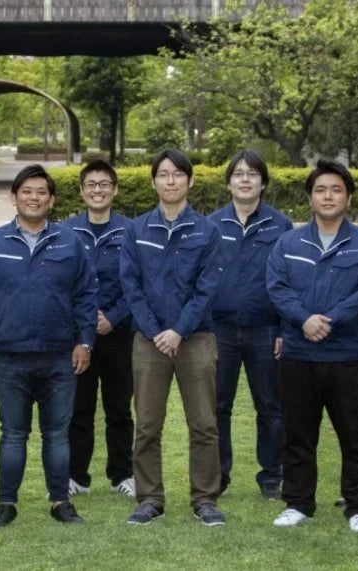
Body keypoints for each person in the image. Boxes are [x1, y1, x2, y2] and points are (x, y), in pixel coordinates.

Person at [0, 164, 97, 528]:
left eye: (41, 192)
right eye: (26, 191)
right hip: (12, 358)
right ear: (14, 198)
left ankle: (60, 502)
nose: (34, 197)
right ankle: (6, 503)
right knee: (13, 434)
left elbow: (86, 295)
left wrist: (85, 341)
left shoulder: (70, 242)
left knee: (57, 434)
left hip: (59, 357)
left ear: (51, 200)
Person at [266, 159, 358, 533]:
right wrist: (304, 319)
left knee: (357, 435)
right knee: (298, 434)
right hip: (299, 354)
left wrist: (329, 320)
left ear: (348, 197)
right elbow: (277, 288)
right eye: (320, 190)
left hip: (348, 355)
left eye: (336, 190)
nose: (327, 196)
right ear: (310, 198)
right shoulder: (288, 243)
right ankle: (298, 502)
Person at [120, 149, 226, 527]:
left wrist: (179, 330)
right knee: (147, 425)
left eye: (178, 174)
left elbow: (207, 288)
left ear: (190, 181)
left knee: (204, 424)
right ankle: (150, 498)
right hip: (148, 341)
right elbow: (131, 286)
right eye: (163, 174)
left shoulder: (207, 231)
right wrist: (155, 331)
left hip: (195, 338)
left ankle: (205, 499)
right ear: (154, 182)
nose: (171, 181)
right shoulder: (136, 230)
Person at [207, 149, 292, 500]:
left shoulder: (281, 225)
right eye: (238, 173)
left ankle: (271, 476)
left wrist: (285, 329)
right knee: (217, 406)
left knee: (271, 406)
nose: (245, 179)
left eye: (252, 174)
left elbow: (289, 281)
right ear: (228, 182)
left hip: (266, 330)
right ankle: (218, 475)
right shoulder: (211, 225)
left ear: (263, 183)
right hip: (219, 330)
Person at [63, 160, 135, 498]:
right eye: (91, 184)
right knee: (79, 408)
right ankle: (76, 475)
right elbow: (61, 285)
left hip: (119, 334)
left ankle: (122, 474)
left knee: (119, 408)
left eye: (104, 184)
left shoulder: (131, 231)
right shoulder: (66, 233)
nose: (97, 190)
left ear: (115, 189)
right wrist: (85, 321)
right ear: (81, 191)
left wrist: (114, 317)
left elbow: (138, 284)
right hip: (79, 336)